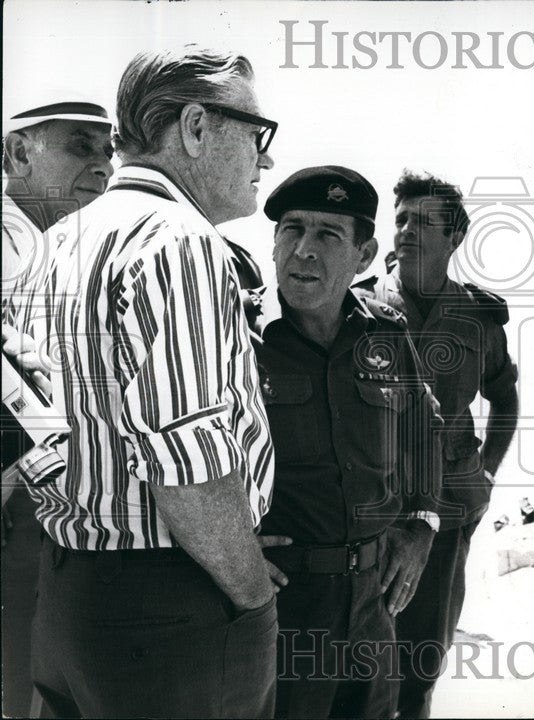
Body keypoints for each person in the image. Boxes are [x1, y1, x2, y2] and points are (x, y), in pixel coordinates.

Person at [29, 46, 280, 718]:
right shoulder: (178, 240)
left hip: (68, 598)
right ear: (196, 127)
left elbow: (25, 430)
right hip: (168, 614)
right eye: (258, 135)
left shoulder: (56, 241)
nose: (267, 159)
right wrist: (253, 592)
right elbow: (188, 470)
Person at [251, 165, 444, 719]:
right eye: (292, 229)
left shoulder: (385, 333)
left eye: (328, 235)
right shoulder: (237, 333)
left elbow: (425, 432)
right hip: (283, 606)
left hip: (373, 603)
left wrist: (422, 525)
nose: (303, 251)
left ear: (364, 255)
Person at [356, 170, 520, 718]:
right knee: (355, 663)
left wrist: (489, 472)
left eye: (423, 221)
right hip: (368, 510)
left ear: (455, 237)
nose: (406, 230)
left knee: (422, 664)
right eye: (400, 218)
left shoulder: (478, 318)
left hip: (449, 510)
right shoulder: (357, 309)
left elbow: (505, 396)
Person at [1, 95, 114, 718]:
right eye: (80, 146)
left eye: (109, 150)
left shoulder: (65, 251)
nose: (102, 166)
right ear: (20, 152)